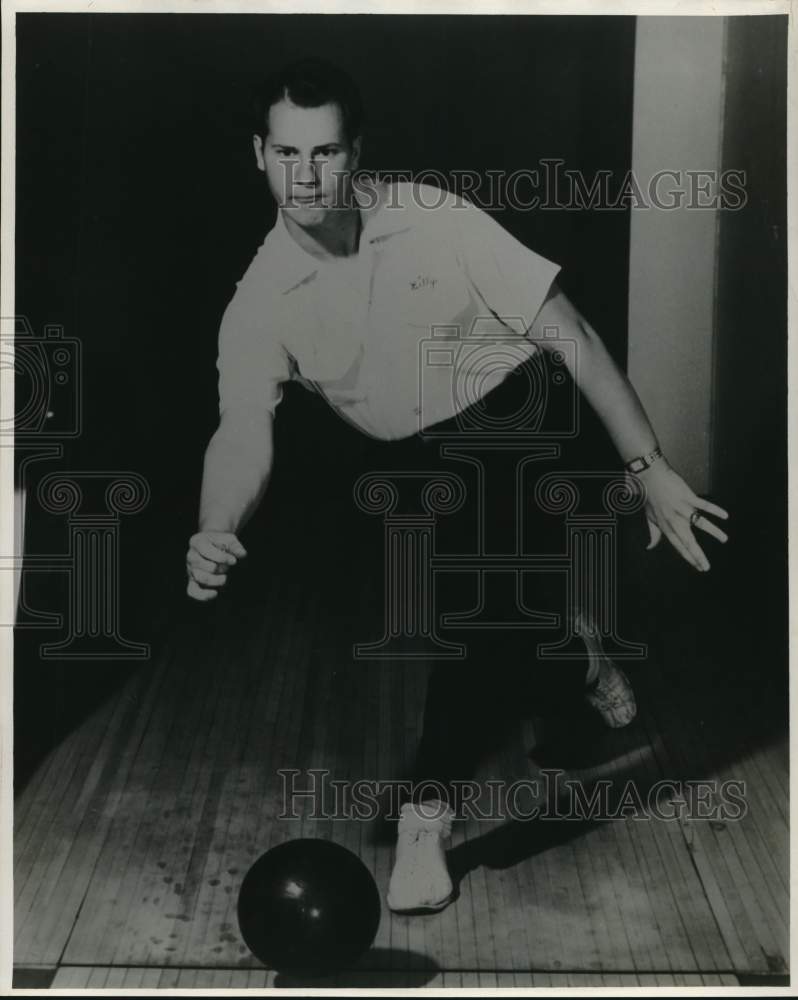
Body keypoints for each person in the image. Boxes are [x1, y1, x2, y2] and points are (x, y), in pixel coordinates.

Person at [186, 58, 729, 914]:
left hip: (515, 409)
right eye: (287, 155)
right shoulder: (259, 299)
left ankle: (426, 811)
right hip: (410, 457)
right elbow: (243, 428)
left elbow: (573, 337)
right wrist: (214, 522)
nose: (305, 177)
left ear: (354, 153)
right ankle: (576, 648)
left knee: (475, 600)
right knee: (502, 605)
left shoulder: (435, 220)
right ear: (259, 154)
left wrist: (649, 467)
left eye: (325, 154)